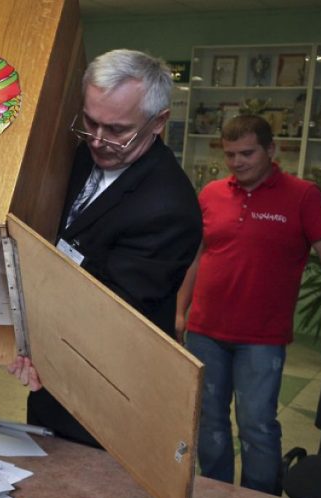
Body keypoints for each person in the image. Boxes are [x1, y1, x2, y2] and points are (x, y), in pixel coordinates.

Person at [13, 49, 203, 446]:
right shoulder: (82, 153)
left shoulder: (168, 206)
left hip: (112, 394)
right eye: (90, 122)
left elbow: (114, 314)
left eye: (117, 130)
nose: (98, 141)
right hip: (51, 383)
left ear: (159, 122)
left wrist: (35, 343)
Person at [176, 114, 321, 494]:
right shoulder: (211, 193)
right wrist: (180, 309)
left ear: (271, 150)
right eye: (230, 155)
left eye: (247, 153)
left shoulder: (303, 196)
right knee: (209, 422)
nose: (237, 162)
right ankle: (216, 496)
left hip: (261, 338)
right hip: (205, 331)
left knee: (257, 424)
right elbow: (196, 256)